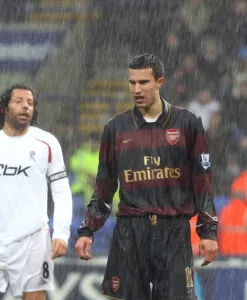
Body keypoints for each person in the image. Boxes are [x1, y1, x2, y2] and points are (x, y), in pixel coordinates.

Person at [75, 53, 218, 300]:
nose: (136, 89)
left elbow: (203, 183)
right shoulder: (116, 128)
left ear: (160, 82)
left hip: (173, 231)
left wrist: (208, 232)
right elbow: (104, 187)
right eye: (132, 83)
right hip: (130, 232)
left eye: (144, 82)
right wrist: (88, 229)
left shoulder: (188, 124)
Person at [0, 84, 72, 300]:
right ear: (4, 107)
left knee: (35, 295)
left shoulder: (47, 143)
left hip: (34, 236)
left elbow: (61, 191)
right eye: (19, 101)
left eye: (30, 103)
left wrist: (61, 233)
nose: (26, 107)